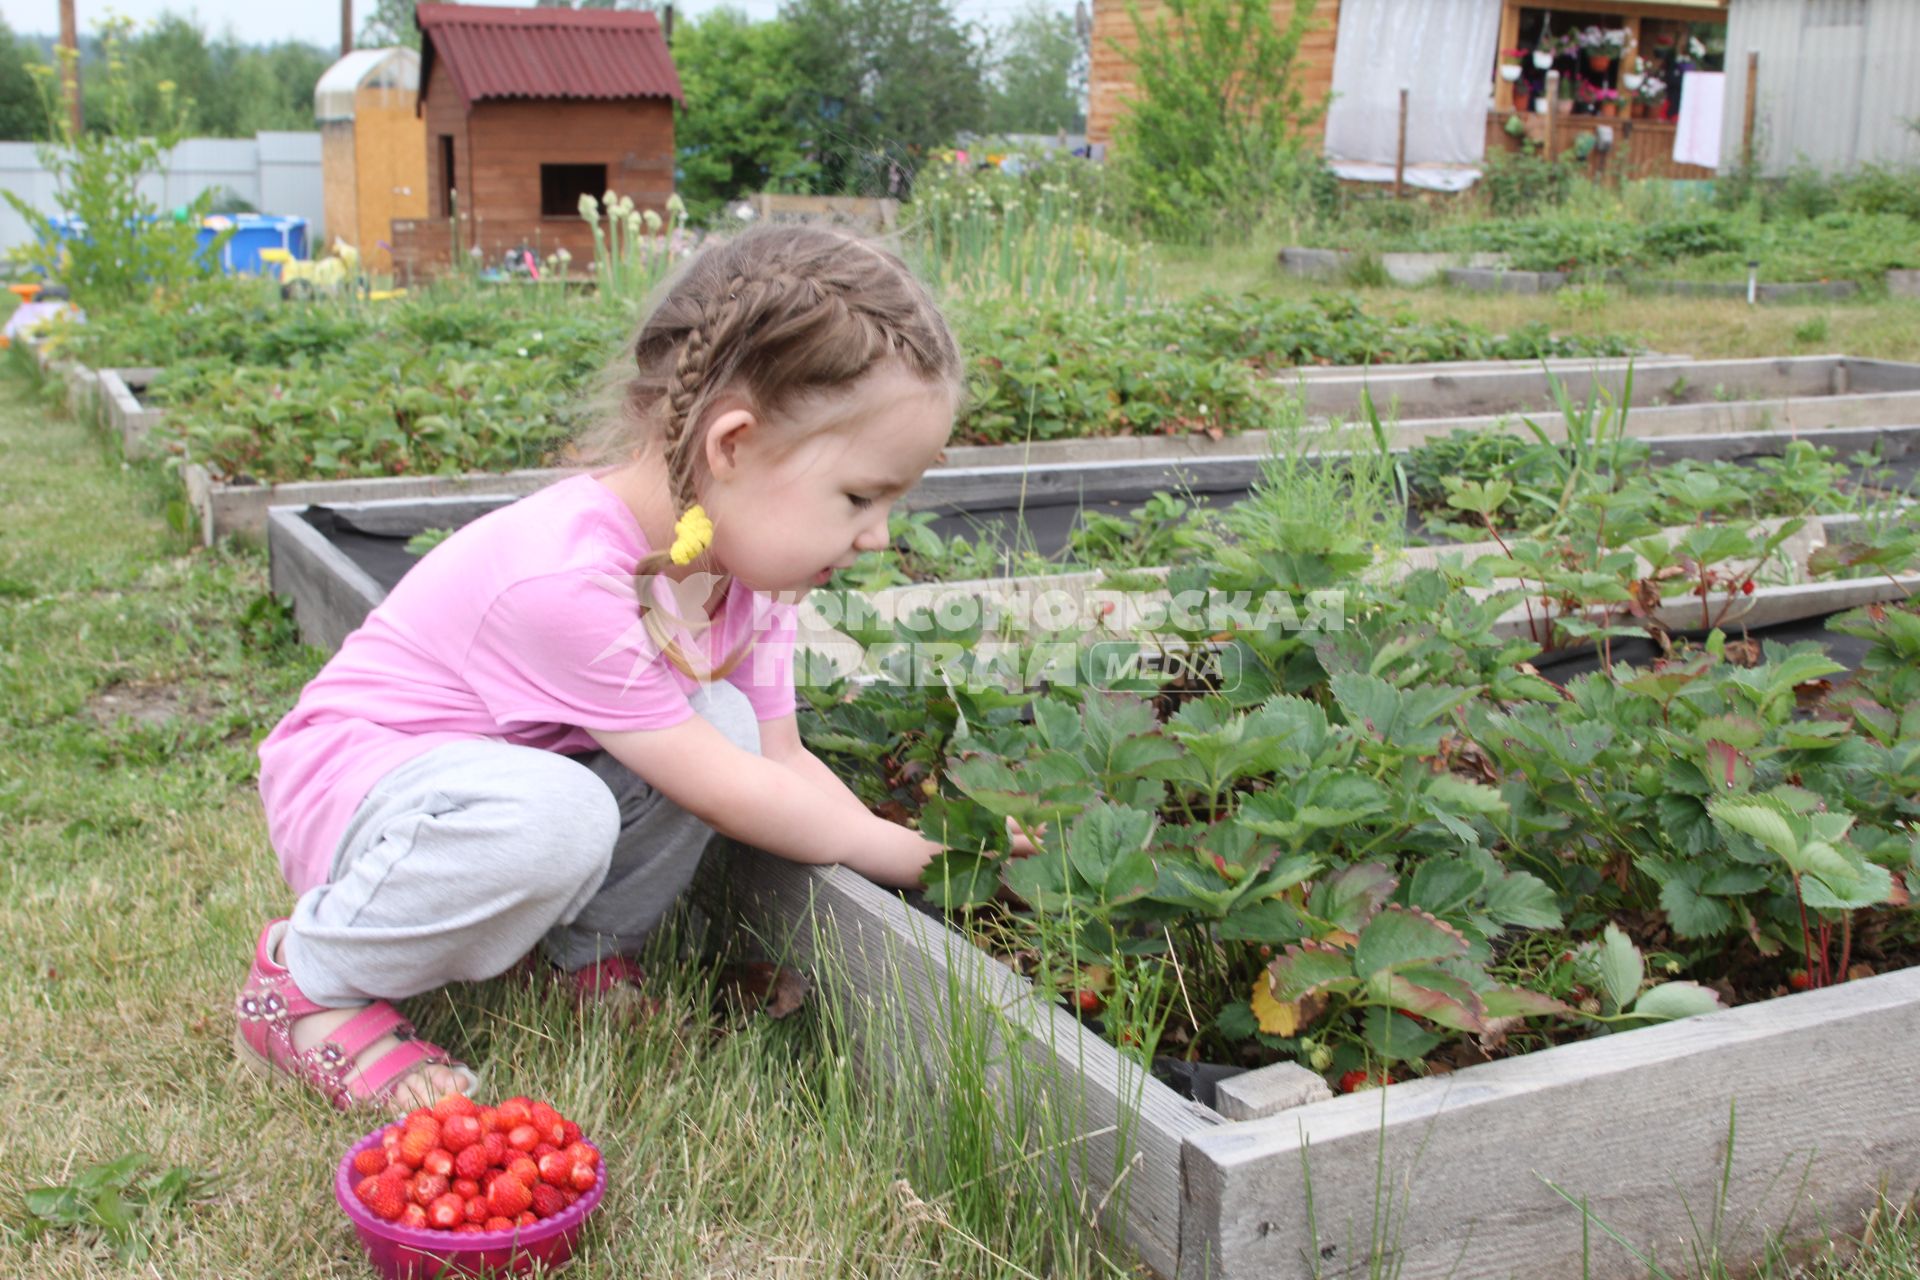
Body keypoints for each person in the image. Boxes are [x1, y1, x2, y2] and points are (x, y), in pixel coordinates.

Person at [235, 224, 964, 1111]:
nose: (879, 533)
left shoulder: (746, 574)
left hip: (493, 789)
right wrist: (929, 856)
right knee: (575, 807)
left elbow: (775, 760)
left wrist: (902, 850)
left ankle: (574, 963)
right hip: (366, 793)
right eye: (861, 496)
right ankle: (308, 982)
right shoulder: (570, 577)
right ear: (731, 446)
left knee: (722, 719)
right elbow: (728, 793)